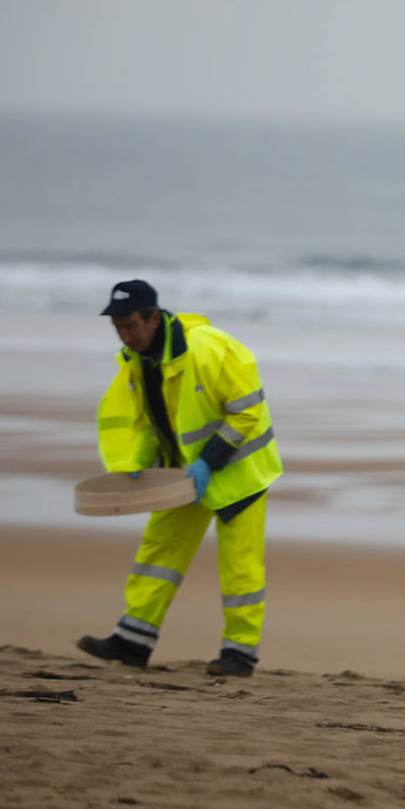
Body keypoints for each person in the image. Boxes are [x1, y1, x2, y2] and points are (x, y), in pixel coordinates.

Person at [77, 280, 282, 677]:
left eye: (130, 325)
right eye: (117, 327)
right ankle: (132, 640)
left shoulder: (209, 347)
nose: (124, 335)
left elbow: (247, 411)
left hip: (240, 472)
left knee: (241, 567)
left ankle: (239, 655)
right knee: (159, 553)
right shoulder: (137, 360)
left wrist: (208, 461)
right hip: (182, 475)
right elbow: (150, 421)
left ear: (154, 317)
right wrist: (138, 462)